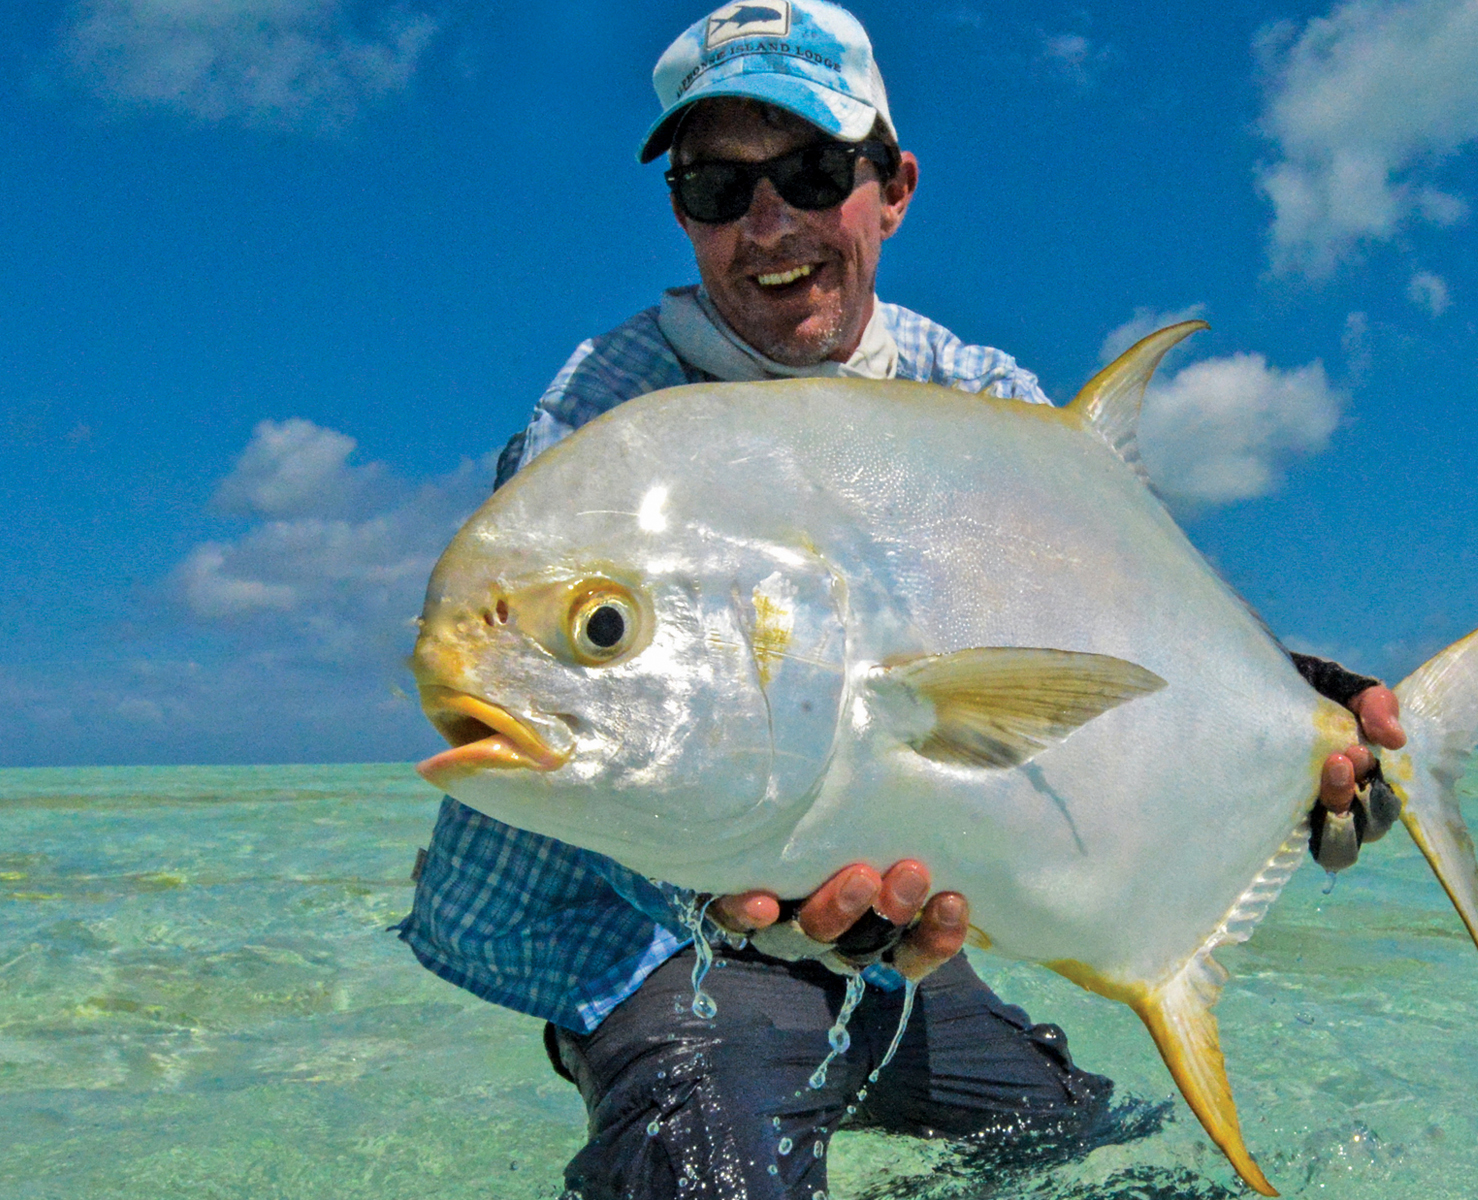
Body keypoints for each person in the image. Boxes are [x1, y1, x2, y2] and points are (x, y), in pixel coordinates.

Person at [399, 4, 1406, 1197]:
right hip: (651, 941)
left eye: (813, 171)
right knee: (710, 1162)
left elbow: (1123, 637)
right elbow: (616, 761)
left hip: (894, 937)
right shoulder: (607, 418)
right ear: (681, 211)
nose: (767, 225)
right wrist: (743, 899)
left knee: (1085, 1150)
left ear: (893, 186)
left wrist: (1301, 717)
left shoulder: (984, 397)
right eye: (717, 186)